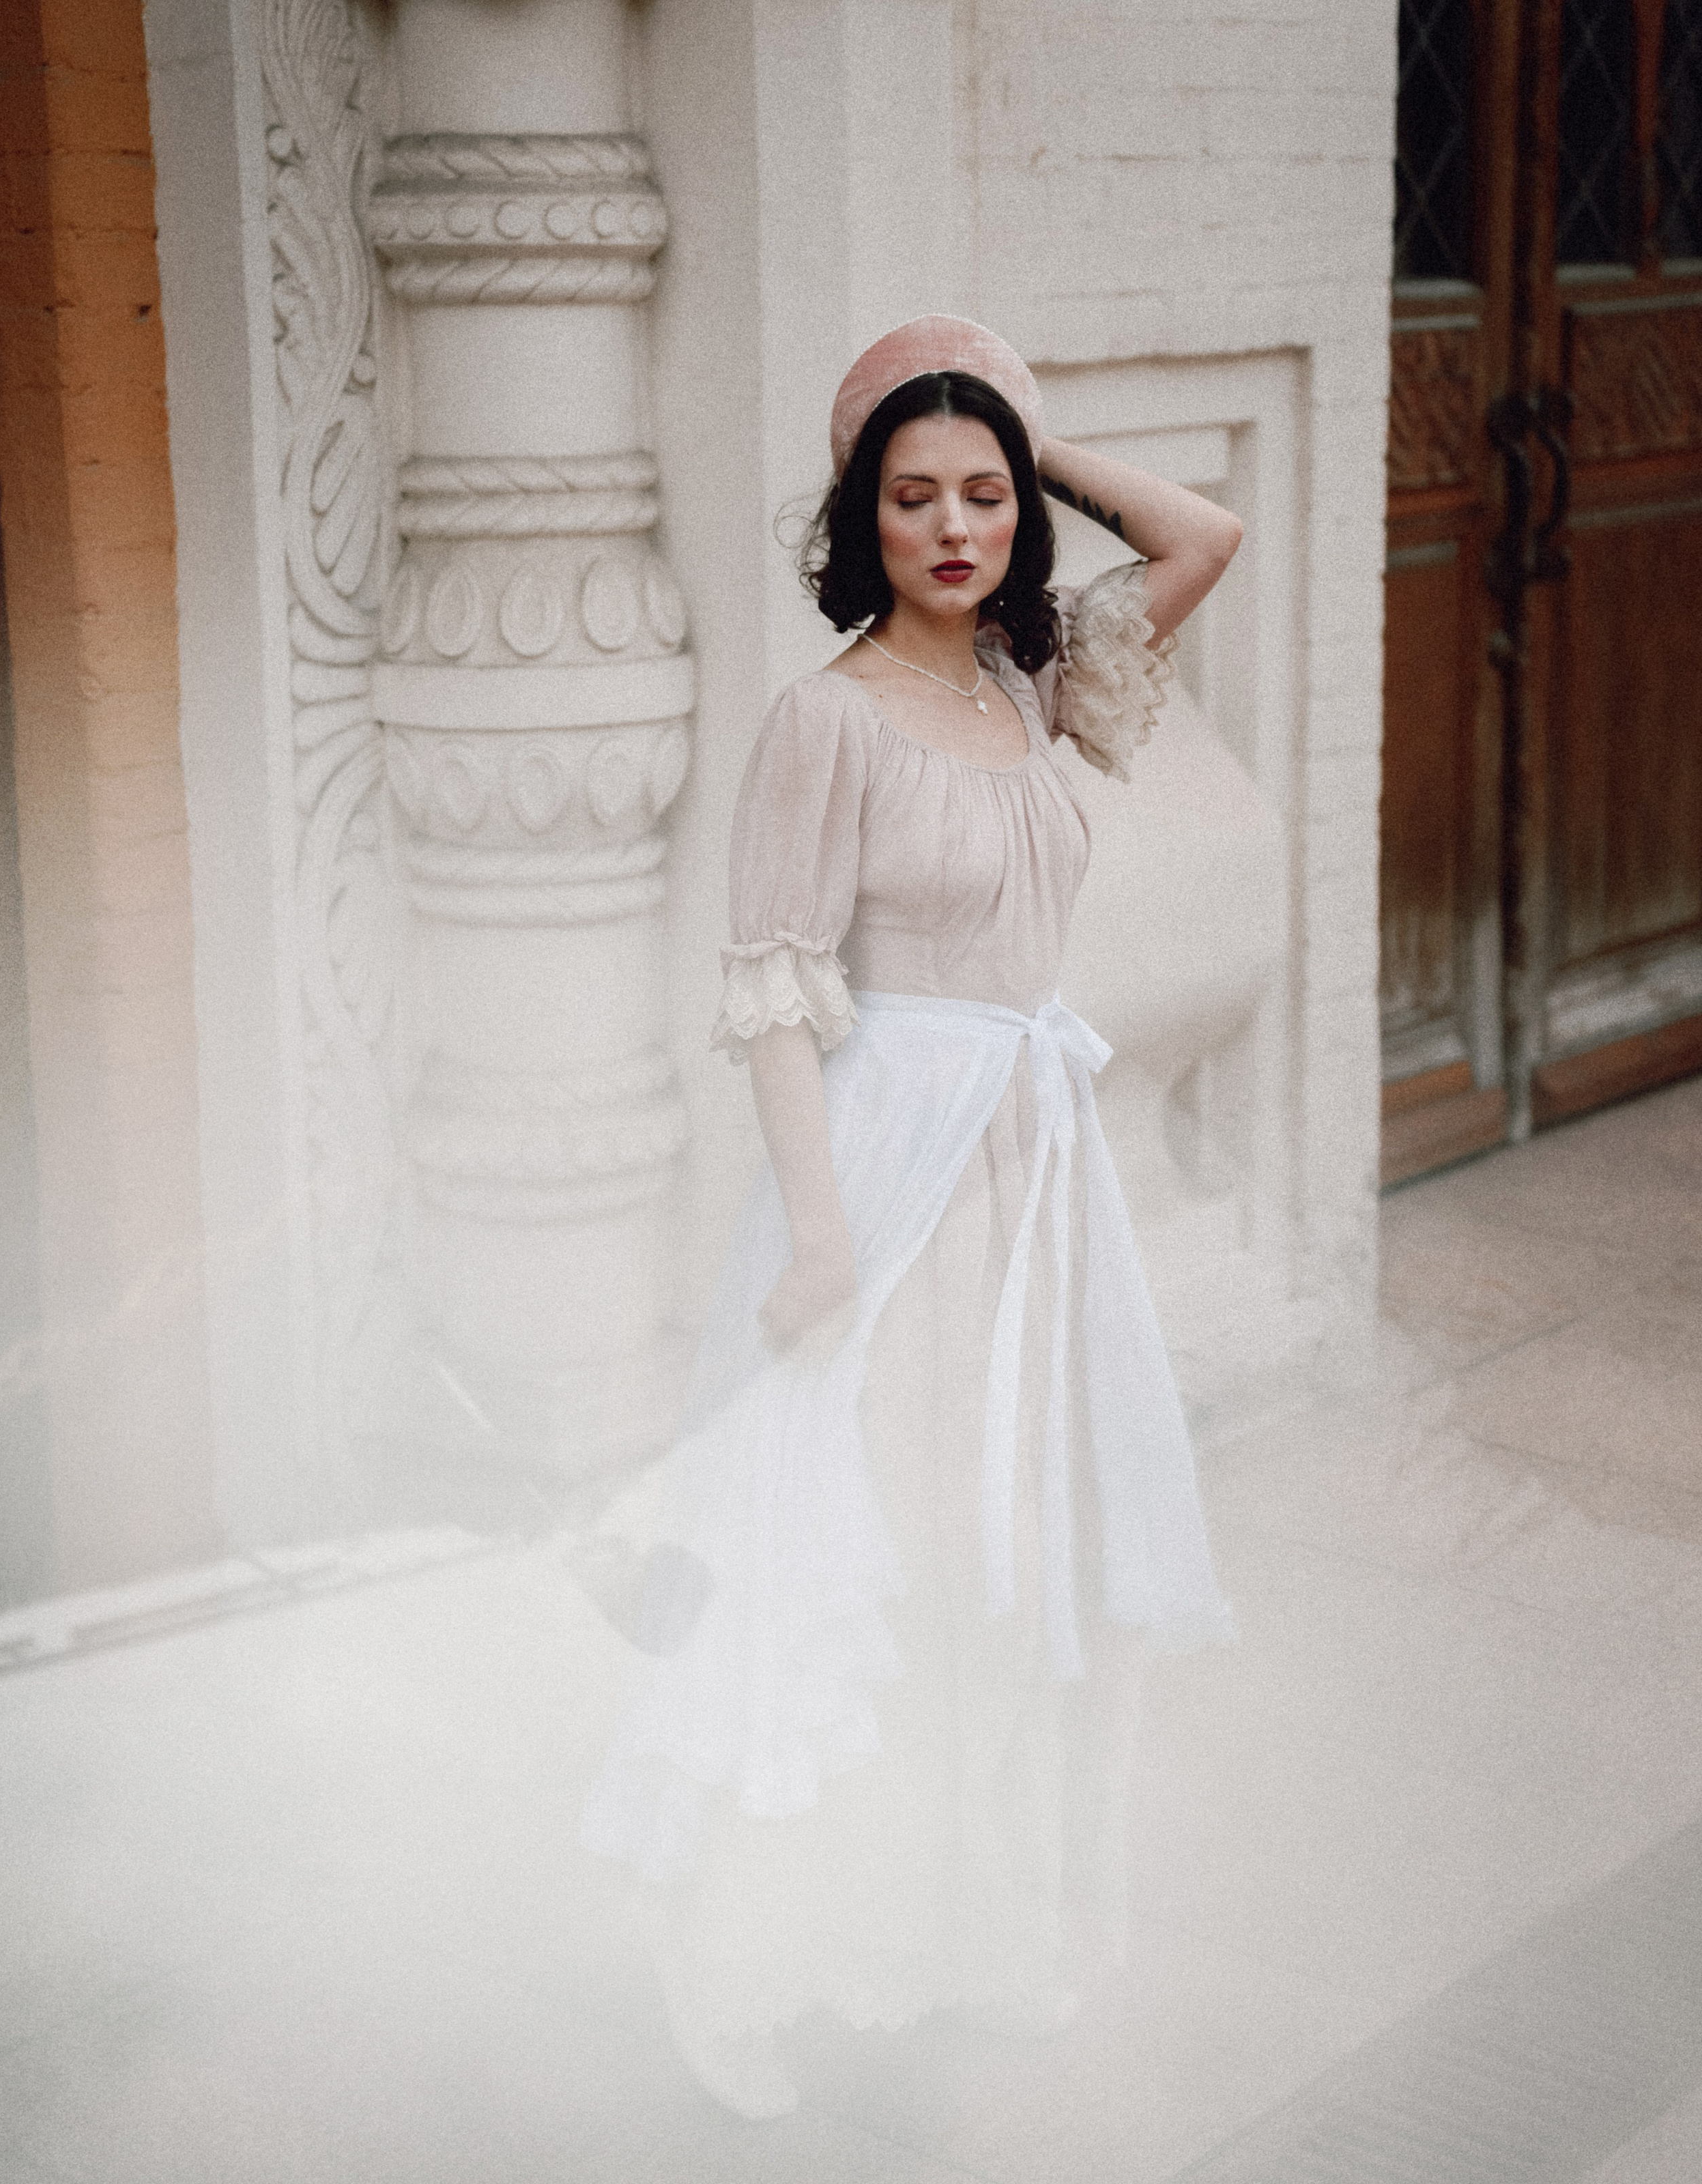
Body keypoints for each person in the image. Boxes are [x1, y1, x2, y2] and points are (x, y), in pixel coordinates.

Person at [583, 316, 1243, 2121]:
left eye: (981, 495)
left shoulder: (1037, 689)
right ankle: (728, 1956)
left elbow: (1202, 541)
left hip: (1035, 1182)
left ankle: (947, 1931)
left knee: (1006, 1571)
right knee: (836, 1567)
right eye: (910, 494)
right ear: (858, 519)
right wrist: (818, 1239)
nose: (950, 526)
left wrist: (1040, 438)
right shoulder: (828, 723)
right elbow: (775, 995)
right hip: (885, 1183)